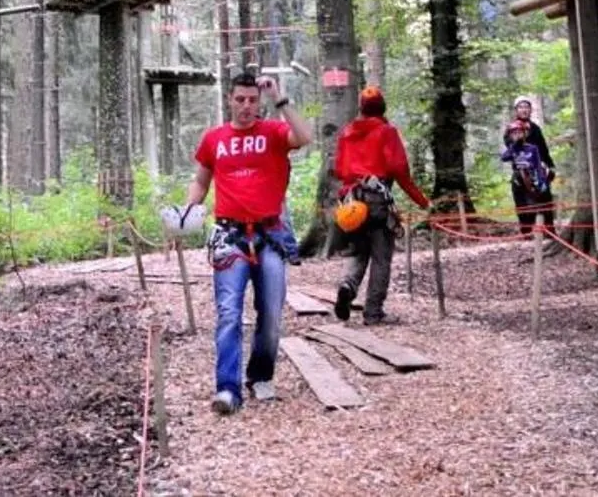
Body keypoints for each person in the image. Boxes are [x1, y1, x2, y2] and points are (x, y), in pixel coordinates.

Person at [168, 68, 307, 416]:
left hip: (270, 235)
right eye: (240, 99)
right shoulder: (214, 139)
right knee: (229, 313)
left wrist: (280, 97)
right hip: (229, 236)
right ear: (230, 99)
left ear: (259, 102)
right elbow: (201, 182)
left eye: (252, 100)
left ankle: (260, 374)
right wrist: (188, 213)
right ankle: (227, 388)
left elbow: (305, 136)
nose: (246, 106)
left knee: (272, 313)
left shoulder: (274, 131)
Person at [330, 86, 432, 326]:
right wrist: (423, 202)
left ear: (361, 108)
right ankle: (373, 312)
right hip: (377, 201)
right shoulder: (386, 132)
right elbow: (400, 170)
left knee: (359, 250)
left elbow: (340, 170)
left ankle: (348, 285)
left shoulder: (346, 133)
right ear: (382, 108)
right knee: (381, 257)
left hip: (351, 202)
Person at [499, 97, 555, 235]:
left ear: (530, 110)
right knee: (521, 201)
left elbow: (543, 148)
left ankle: (549, 230)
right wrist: (517, 142)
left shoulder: (535, 128)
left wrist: (550, 166)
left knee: (545, 198)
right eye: (521, 107)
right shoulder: (511, 128)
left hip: (538, 169)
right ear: (516, 110)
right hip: (520, 170)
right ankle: (526, 231)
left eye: (526, 107)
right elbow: (508, 148)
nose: (524, 110)